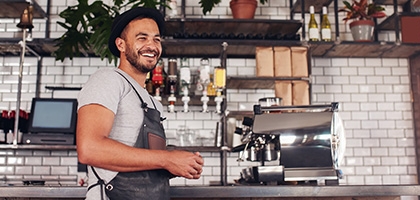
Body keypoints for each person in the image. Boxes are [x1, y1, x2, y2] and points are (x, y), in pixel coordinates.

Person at [76, 7, 204, 200]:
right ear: (121, 44)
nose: (151, 45)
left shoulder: (153, 102)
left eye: (156, 39)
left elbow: (146, 162)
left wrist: (176, 165)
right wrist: (167, 158)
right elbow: (89, 148)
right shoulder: (108, 80)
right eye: (142, 38)